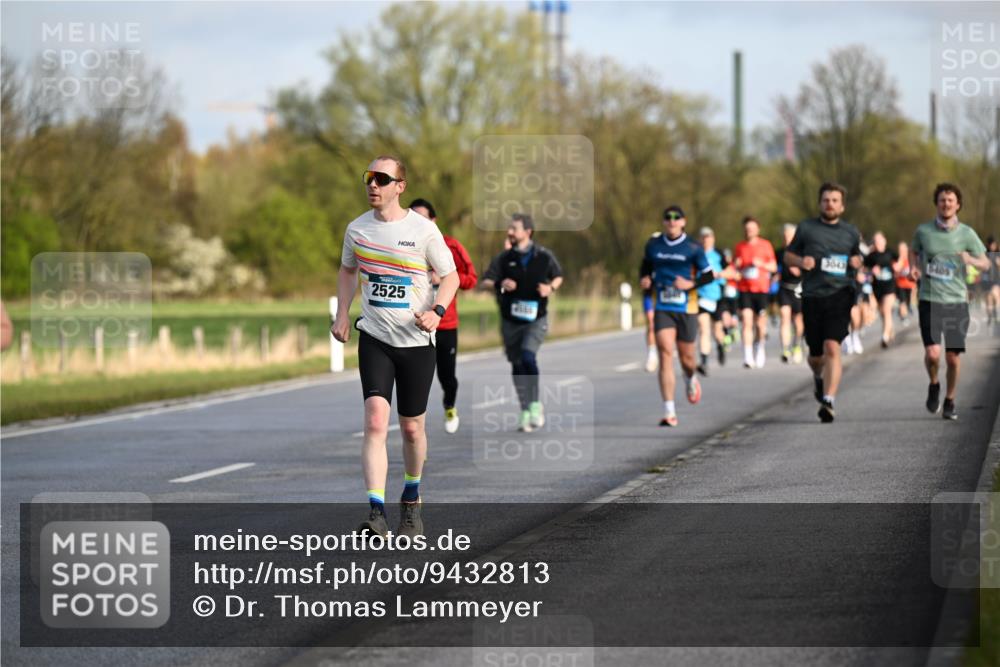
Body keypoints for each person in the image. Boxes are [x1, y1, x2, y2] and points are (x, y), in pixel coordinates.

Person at [332, 156, 459, 539]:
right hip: (375, 337)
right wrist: (342, 314)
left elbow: (450, 277)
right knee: (374, 420)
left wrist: (437, 311)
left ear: (399, 186)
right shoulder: (357, 229)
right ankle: (375, 513)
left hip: (417, 342)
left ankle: (411, 499)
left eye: (382, 179)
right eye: (368, 177)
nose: (372, 184)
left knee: (411, 429)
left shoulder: (423, 231)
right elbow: (348, 270)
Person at [910, 182, 990, 421]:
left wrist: (970, 260)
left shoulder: (967, 233)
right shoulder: (923, 231)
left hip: (956, 301)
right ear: (937, 203)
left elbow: (986, 262)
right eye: (942, 200)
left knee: (952, 357)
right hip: (929, 299)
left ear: (958, 205)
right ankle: (934, 384)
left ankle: (950, 399)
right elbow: (914, 251)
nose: (946, 204)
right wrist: (914, 268)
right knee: (933, 354)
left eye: (951, 201)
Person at [784, 182, 863, 423]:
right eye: (826, 200)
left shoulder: (850, 232)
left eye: (834, 200)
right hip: (812, 296)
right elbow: (787, 256)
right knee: (815, 355)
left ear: (842, 205)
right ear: (820, 203)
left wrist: (857, 261)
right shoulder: (807, 228)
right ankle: (818, 377)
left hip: (840, 294)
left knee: (833, 347)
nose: (830, 204)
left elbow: (857, 256)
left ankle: (829, 401)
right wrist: (800, 262)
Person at [480, 213, 563, 432]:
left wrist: (550, 288)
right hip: (510, 321)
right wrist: (500, 283)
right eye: (509, 229)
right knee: (517, 363)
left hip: (536, 319)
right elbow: (485, 281)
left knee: (528, 356)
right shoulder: (504, 258)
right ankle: (525, 408)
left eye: (513, 229)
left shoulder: (544, 256)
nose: (509, 232)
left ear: (528, 232)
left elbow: (558, 275)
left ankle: (535, 405)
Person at [639, 205, 714, 427]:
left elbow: (709, 275)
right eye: (667, 218)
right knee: (665, 353)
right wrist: (646, 281)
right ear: (663, 222)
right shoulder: (653, 245)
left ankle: (690, 377)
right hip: (663, 305)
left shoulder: (693, 247)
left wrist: (692, 284)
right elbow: (645, 269)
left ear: (683, 222)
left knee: (687, 359)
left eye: (676, 218)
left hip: (687, 307)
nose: (671, 221)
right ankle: (669, 411)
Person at [407, 199, 477, 434]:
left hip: (445, 323)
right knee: (417, 379)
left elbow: (470, 278)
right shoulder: (402, 245)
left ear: (433, 220)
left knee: (447, 376)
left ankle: (449, 406)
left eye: (423, 218)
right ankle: (416, 429)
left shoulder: (450, 245)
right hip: (414, 323)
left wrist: (445, 280)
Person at [733, 216, 777, 369]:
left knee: (760, 324)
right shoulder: (740, 247)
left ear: (758, 229)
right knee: (746, 321)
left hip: (761, 289)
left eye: (752, 228)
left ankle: (760, 348)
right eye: (747, 228)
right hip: (745, 289)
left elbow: (773, 267)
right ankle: (747, 355)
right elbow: (735, 268)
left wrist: (761, 264)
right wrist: (737, 266)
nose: (749, 230)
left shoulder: (766, 245)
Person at [695, 227, 728, 374]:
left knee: (717, 330)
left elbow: (732, 271)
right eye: (703, 237)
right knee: (704, 328)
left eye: (708, 237)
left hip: (717, 296)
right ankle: (704, 362)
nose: (706, 240)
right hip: (701, 295)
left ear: (713, 238)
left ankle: (720, 345)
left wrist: (719, 274)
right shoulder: (696, 254)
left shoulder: (719, 254)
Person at [775, 223, 805, 364]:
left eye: (790, 236)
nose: (787, 239)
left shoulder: (802, 252)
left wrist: (799, 272)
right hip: (784, 288)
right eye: (785, 236)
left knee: (798, 322)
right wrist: (774, 275)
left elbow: (810, 270)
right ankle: (785, 349)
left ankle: (797, 345)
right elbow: (774, 269)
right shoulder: (780, 252)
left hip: (798, 289)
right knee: (784, 317)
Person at [863, 231, 898, 348]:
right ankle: (889, 329)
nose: (878, 243)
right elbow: (864, 271)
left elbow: (900, 261)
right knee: (883, 312)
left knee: (887, 309)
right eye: (875, 241)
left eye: (880, 240)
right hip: (877, 288)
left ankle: (885, 337)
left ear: (884, 241)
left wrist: (897, 267)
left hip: (890, 286)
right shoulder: (870, 256)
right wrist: (871, 272)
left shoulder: (890, 252)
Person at [643, 233, 661, 373]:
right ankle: (652, 354)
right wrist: (645, 281)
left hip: (664, 296)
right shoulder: (647, 260)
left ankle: (664, 348)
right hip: (650, 295)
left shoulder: (666, 258)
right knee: (651, 323)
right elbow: (642, 279)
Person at [894, 241, 917, 324]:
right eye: (900, 250)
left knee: (908, 301)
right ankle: (904, 317)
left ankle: (907, 309)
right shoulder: (899, 259)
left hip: (910, 285)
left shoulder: (910, 259)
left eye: (904, 249)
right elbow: (896, 270)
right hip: (901, 285)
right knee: (902, 301)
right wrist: (901, 259)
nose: (902, 251)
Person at [984, 236, 1000, 325]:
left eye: (993, 244)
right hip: (987, 279)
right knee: (989, 298)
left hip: (996, 279)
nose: (991, 246)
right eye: (990, 244)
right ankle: (991, 315)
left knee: (995, 295)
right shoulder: (985, 254)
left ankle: (996, 315)